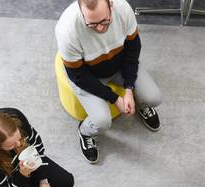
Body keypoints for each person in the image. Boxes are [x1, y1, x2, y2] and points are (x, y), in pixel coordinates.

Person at [56, 0, 162, 164]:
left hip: (118, 65)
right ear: (81, 11)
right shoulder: (67, 30)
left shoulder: (123, 9)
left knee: (153, 98)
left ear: (111, 4)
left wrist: (128, 88)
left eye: (105, 21)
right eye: (92, 24)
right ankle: (85, 132)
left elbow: (133, 50)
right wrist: (114, 98)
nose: (99, 28)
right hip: (88, 75)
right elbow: (79, 76)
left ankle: (141, 104)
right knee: (102, 121)